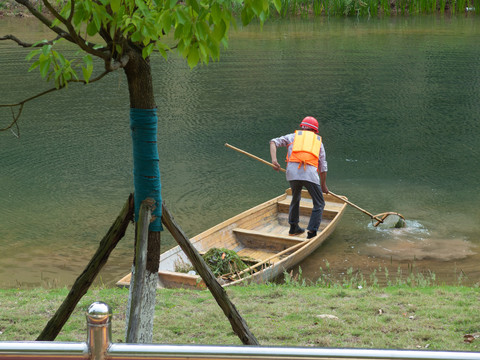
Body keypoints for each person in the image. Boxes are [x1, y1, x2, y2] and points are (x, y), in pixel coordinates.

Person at [269, 116, 329, 239]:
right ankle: (311, 233)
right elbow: (323, 166)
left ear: (302, 126)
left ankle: (293, 228)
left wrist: (274, 161)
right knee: (319, 203)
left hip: (292, 174)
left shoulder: (292, 136)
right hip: (310, 175)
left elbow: (273, 142)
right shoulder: (318, 142)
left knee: (295, 197)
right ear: (314, 130)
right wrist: (323, 185)